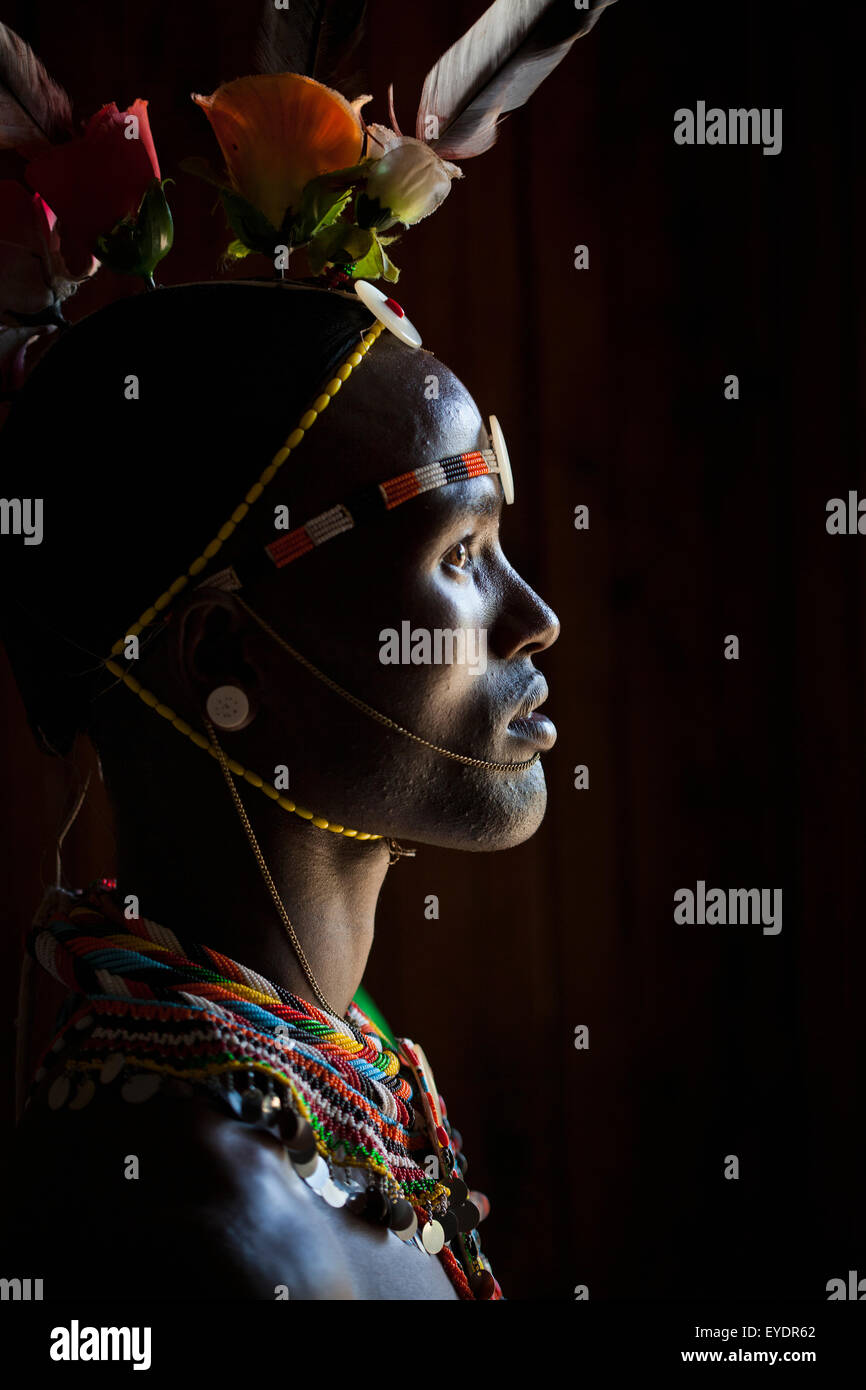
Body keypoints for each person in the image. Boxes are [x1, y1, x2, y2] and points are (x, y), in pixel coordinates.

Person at [0, 277, 559, 1299]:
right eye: (461, 554)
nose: (533, 616)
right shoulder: (196, 1233)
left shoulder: (355, 1100)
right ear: (227, 658)